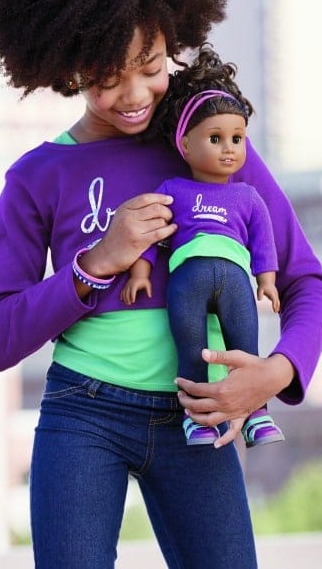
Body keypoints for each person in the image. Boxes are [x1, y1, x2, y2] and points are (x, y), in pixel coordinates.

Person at [0, 0, 322, 567]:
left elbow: (308, 281)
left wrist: (274, 374)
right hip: (82, 415)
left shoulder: (210, 146)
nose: (136, 93)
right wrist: (97, 263)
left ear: (175, 39)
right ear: (68, 68)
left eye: (152, 63)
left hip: (196, 415)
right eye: (108, 77)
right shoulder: (35, 178)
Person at [120, 47, 286, 449]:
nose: (229, 148)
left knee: (246, 347)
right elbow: (152, 232)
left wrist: (267, 280)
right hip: (187, 280)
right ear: (187, 147)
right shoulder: (173, 190)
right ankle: (197, 419)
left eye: (237, 139)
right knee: (191, 349)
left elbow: (263, 239)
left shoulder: (248, 196)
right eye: (216, 139)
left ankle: (257, 416)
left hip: (234, 279)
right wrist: (141, 271)